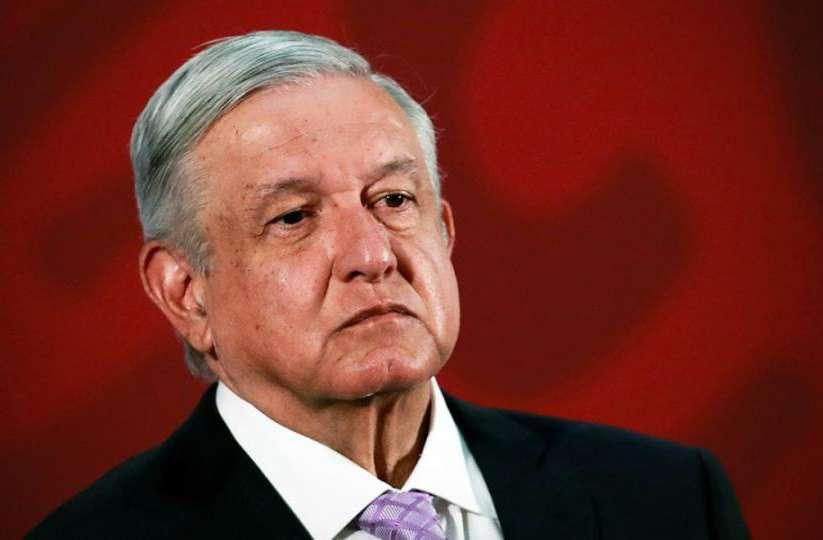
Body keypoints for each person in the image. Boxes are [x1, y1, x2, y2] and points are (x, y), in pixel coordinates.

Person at [29, 30, 749, 539]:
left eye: (394, 200)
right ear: (185, 291)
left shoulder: (668, 500)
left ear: (444, 231)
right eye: (293, 217)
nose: (372, 255)